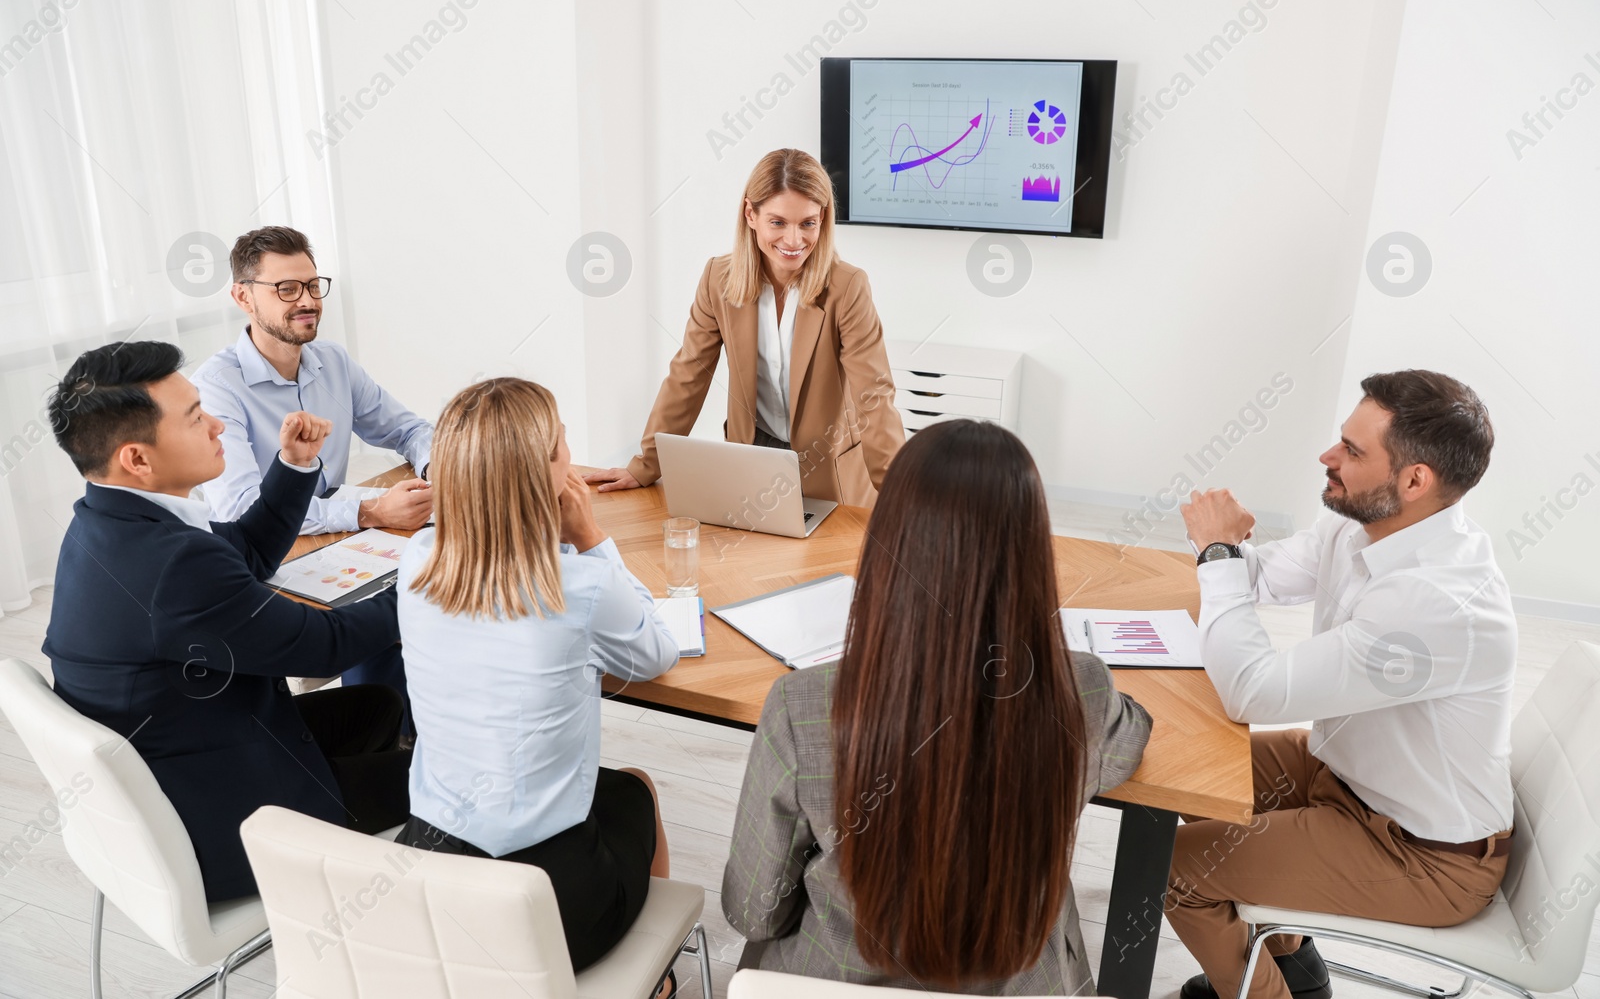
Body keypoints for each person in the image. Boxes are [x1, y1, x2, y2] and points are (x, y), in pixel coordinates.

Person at [722, 419, 1153, 993]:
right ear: (1030, 552)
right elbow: (1126, 741)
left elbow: (754, 911)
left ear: (890, 544)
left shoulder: (803, 707)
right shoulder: (1082, 690)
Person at [1167, 370, 1515, 999]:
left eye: (1353, 451)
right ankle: (1293, 968)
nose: (1328, 457)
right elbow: (1263, 579)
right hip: (1347, 781)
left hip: (1422, 856)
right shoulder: (1366, 522)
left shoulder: (1434, 602)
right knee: (1191, 769)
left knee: (1176, 874)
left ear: (1415, 480)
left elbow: (1255, 690)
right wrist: (1224, 552)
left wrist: (1218, 552)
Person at [43, 342, 411, 901]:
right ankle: (364, 890)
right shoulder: (174, 564)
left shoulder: (105, 520)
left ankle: (358, 861)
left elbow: (243, 552)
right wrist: (438, 580)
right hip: (229, 825)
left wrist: (293, 466)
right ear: (137, 459)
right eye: (195, 418)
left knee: (378, 705)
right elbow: (326, 648)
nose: (217, 425)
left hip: (190, 764)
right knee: (448, 786)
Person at [393, 377, 678, 973]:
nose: (572, 455)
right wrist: (590, 539)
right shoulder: (581, 587)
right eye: (563, 445)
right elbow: (655, 656)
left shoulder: (416, 563)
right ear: (542, 474)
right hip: (551, 909)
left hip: (430, 882)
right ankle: (659, 978)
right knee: (636, 789)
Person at [195, 225, 430, 717]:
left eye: (311, 285)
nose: (306, 301)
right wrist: (368, 510)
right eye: (285, 289)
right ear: (243, 296)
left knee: (436, 580)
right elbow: (243, 513)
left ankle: (413, 730)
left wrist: (434, 471)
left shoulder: (332, 361)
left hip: (336, 541)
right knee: (387, 610)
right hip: (260, 562)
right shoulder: (218, 386)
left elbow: (408, 428)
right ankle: (385, 736)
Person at [585, 148, 904, 507]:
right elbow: (688, 376)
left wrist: (902, 492)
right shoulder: (718, 280)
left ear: (823, 218)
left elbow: (873, 396)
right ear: (750, 214)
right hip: (753, 460)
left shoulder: (847, 287)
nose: (794, 240)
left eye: (808, 223)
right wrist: (645, 465)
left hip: (830, 469)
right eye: (778, 222)